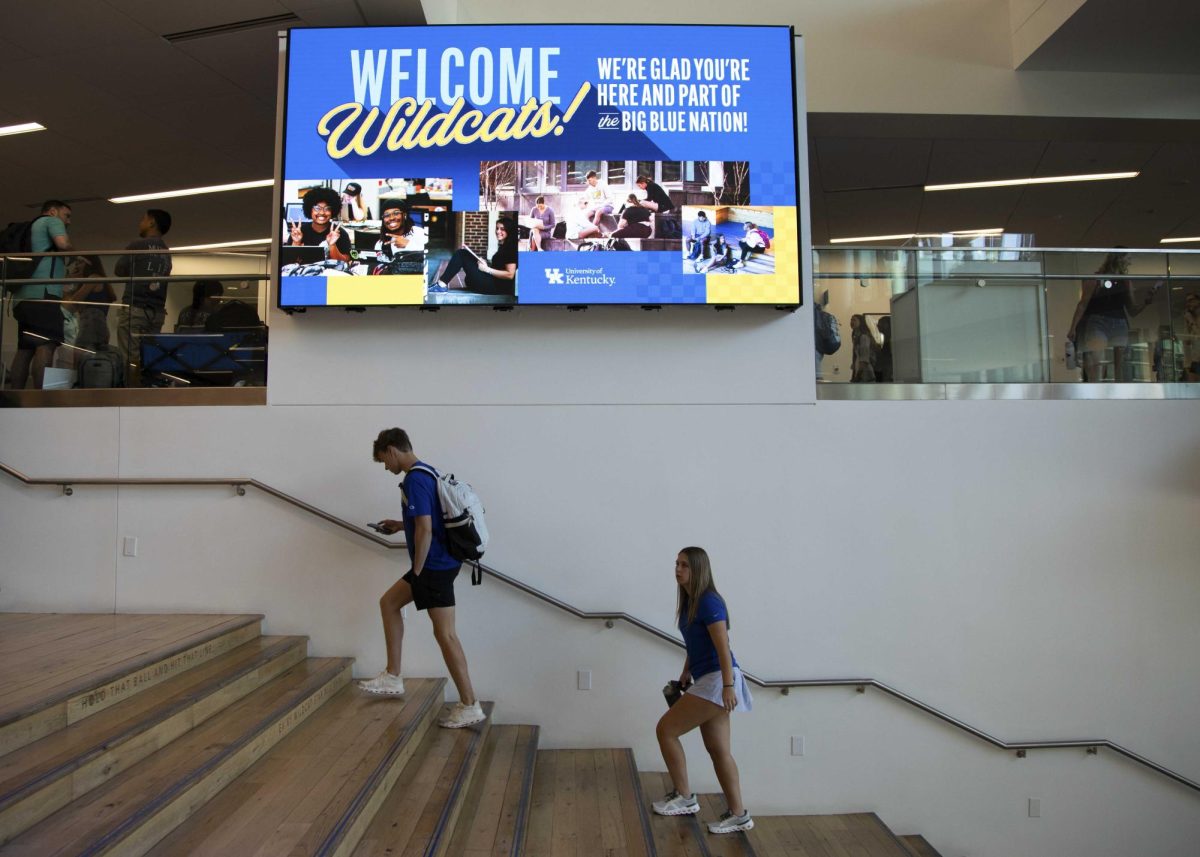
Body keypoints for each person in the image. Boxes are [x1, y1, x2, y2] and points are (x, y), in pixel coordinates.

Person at [362, 428, 487, 730]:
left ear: (392, 450)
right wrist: (397, 525)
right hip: (440, 563)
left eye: (383, 461)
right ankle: (393, 675)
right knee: (390, 603)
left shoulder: (415, 479)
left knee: (445, 635)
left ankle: (469, 704)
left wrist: (417, 572)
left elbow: (426, 529)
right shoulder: (428, 471)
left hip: (433, 566)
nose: (386, 468)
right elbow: (429, 523)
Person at [652, 547, 753, 834]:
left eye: (684, 565)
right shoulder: (690, 602)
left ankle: (684, 797)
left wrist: (728, 686)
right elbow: (698, 645)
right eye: (676, 563)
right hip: (708, 677)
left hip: (718, 679)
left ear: (698, 569)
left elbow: (723, 647)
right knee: (719, 750)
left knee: (666, 730)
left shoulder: (709, 602)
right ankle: (738, 815)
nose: (678, 569)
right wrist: (686, 671)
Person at [8, 200, 72, 389]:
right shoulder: (51, 221)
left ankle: (15, 397)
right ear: (52, 211)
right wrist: (78, 253)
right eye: (66, 216)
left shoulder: (31, 228)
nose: (68, 221)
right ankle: (40, 398)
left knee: (25, 349)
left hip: (22, 297)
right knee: (46, 345)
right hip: (45, 294)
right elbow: (63, 244)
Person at [1066, 251, 1158, 382]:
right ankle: (1095, 389)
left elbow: (1132, 310)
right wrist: (1073, 327)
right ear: (1118, 259)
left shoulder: (1125, 281)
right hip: (1098, 321)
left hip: (1119, 322)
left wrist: (1145, 303)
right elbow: (1083, 304)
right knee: (1097, 359)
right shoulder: (1096, 279)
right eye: (1128, 258)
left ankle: (1118, 392)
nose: (1129, 262)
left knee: (1120, 364)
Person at [115, 208, 173, 379]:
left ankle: (131, 394)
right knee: (150, 355)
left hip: (135, 307)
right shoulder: (166, 252)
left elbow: (119, 269)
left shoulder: (137, 245)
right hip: (157, 311)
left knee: (130, 356)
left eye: (143, 219)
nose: (140, 223)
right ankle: (148, 389)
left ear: (151, 222)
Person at [431, 218, 518, 296]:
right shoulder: (504, 246)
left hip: (497, 287)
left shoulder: (510, 248)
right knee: (466, 260)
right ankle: (440, 284)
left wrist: (487, 269)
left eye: (502, 229)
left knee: (461, 254)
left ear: (509, 231)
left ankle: (441, 285)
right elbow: (500, 267)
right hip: (493, 282)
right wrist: (486, 265)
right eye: (497, 228)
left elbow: (510, 274)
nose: (498, 231)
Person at [62, 254, 116, 363]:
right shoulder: (99, 280)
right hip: (99, 324)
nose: (77, 266)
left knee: (80, 358)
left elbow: (72, 304)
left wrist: (73, 280)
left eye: (81, 262)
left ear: (89, 264)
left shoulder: (93, 278)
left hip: (90, 324)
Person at [287, 187, 352, 262]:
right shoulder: (298, 232)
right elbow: (289, 262)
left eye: (327, 208)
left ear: (333, 210)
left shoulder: (340, 233)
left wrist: (332, 245)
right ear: (309, 209)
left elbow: (345, 262)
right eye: (317, 208)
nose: (322, 213)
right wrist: (296, 243)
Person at [373, 200, 426, 274]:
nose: (391, 218)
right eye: (386, 215)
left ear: (404, 215)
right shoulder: (381, 244)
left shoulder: (420, 233)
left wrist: (409, 245)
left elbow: (431, 260)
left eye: (396, 213)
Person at [850, 314, 876, 382]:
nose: (852, 322)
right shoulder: (856, 337)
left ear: (861, 322)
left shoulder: (864, 337)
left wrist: (857, 376)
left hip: (865, 374)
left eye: (854, 320)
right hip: (859, 371)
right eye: (851, 320)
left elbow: (864, 360)